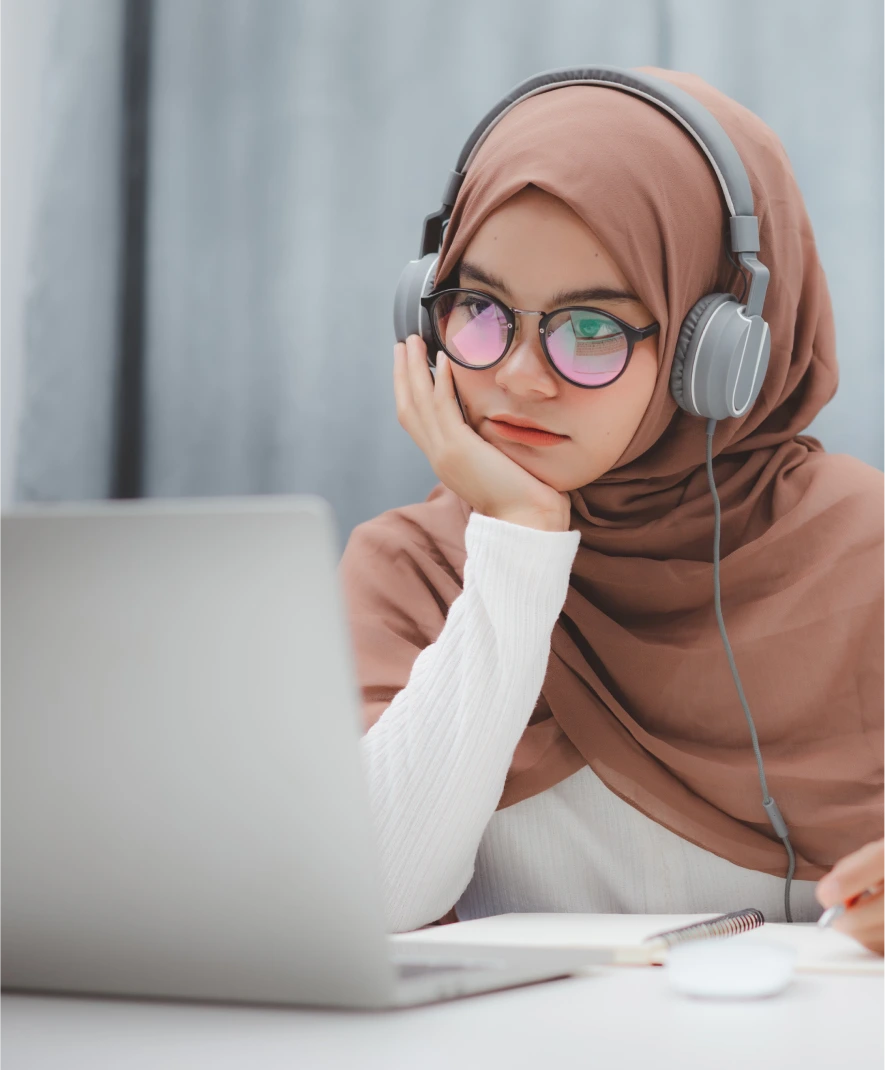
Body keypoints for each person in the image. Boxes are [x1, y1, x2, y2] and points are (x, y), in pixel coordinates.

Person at [338, 67, 885, 954]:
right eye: (476, 308)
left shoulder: (864, 552)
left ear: (714, 357)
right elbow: (375, 894)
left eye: (591, 328)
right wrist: (516, 544)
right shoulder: (412, 567)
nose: (516, 374)